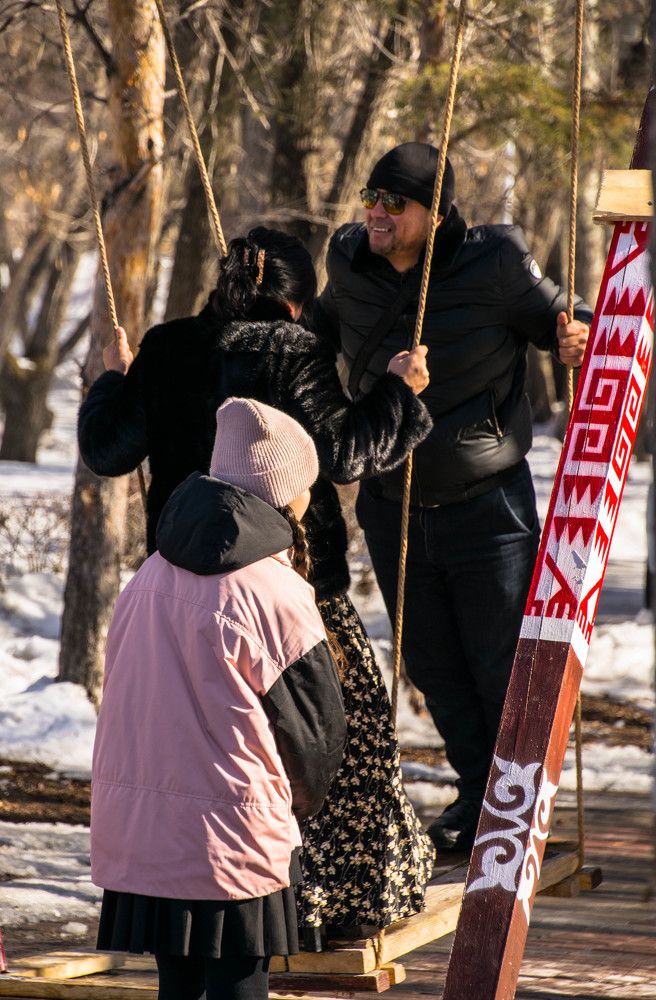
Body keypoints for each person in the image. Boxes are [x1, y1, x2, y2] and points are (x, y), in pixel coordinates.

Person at [79, 227, 435, 938]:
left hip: (179, 584)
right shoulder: (297, 351)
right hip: (290, 588)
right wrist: (398, 392)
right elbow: (344, 451)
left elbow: (108, 449)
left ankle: (208, 899)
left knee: (195, 753)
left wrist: (111, 384)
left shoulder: (169, 345)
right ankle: (333, 903)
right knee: (338, 743)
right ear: (295, 305)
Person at [315, 141, 594, 854]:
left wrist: (575, 337)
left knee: (500, 661)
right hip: (391, 502)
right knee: (432, 664)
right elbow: (316, 331)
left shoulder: (495, 262)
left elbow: (565, 317)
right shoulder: (348, 258)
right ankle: (479, 795)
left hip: (488, 504)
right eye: (370, 199)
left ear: (435, 214)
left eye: (393, 204)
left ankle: (518, 804)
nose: (375, 214)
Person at [91, 397, 347, 1000]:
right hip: (232, 832)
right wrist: (295, 810)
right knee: (238, 984)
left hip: (142, 829)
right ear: (285, 493)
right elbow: (314, 738)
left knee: (177, 984)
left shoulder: (148, 576)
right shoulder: (277, 593)